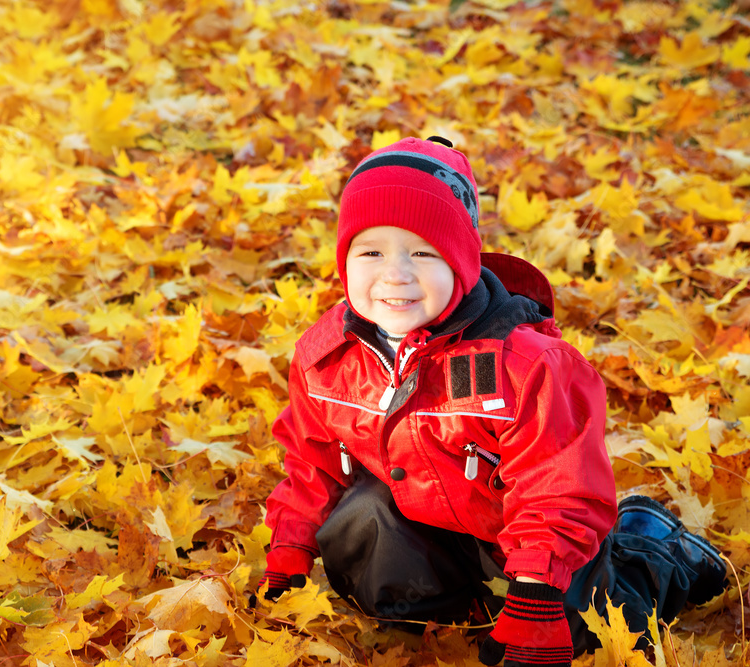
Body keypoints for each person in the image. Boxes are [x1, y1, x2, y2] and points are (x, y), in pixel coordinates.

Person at [258, 136, 728, 666]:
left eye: (422, 252)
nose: (395, 273)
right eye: (371, 252)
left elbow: (558, 485)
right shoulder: (329, 355)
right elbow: (310, 460)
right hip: (425, 524)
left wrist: (536, 594)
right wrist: (290, 547)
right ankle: (455, 613)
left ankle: (653, 547)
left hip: (525, 530)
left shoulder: (524, 364)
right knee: (361, 519)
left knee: (587, 630)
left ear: (461, 259)